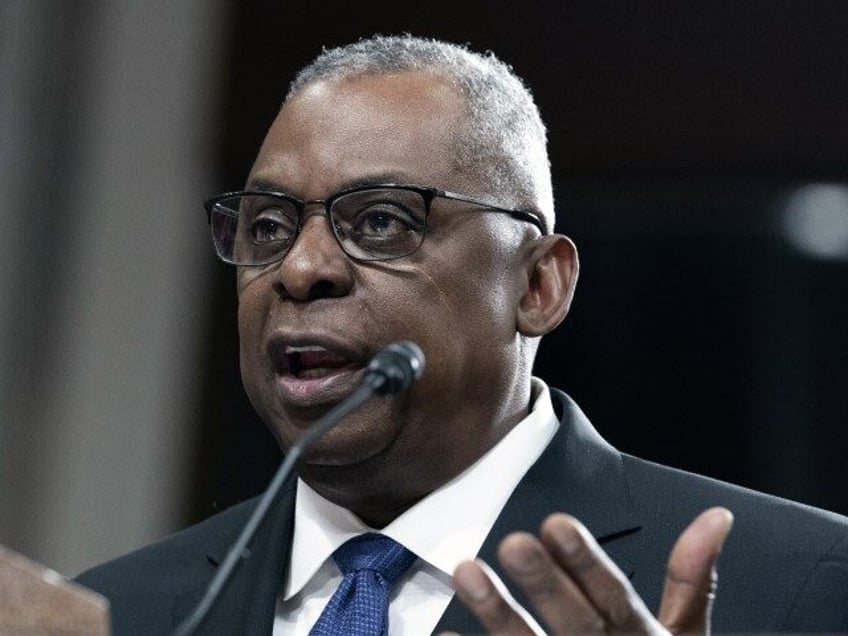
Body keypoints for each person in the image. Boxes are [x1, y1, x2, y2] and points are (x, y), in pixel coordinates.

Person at [77, 34, 848, 634]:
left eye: (380, 221)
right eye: (269, 225)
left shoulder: (804, 584)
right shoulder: (110, 614)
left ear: (538, 285)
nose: (302, 268)